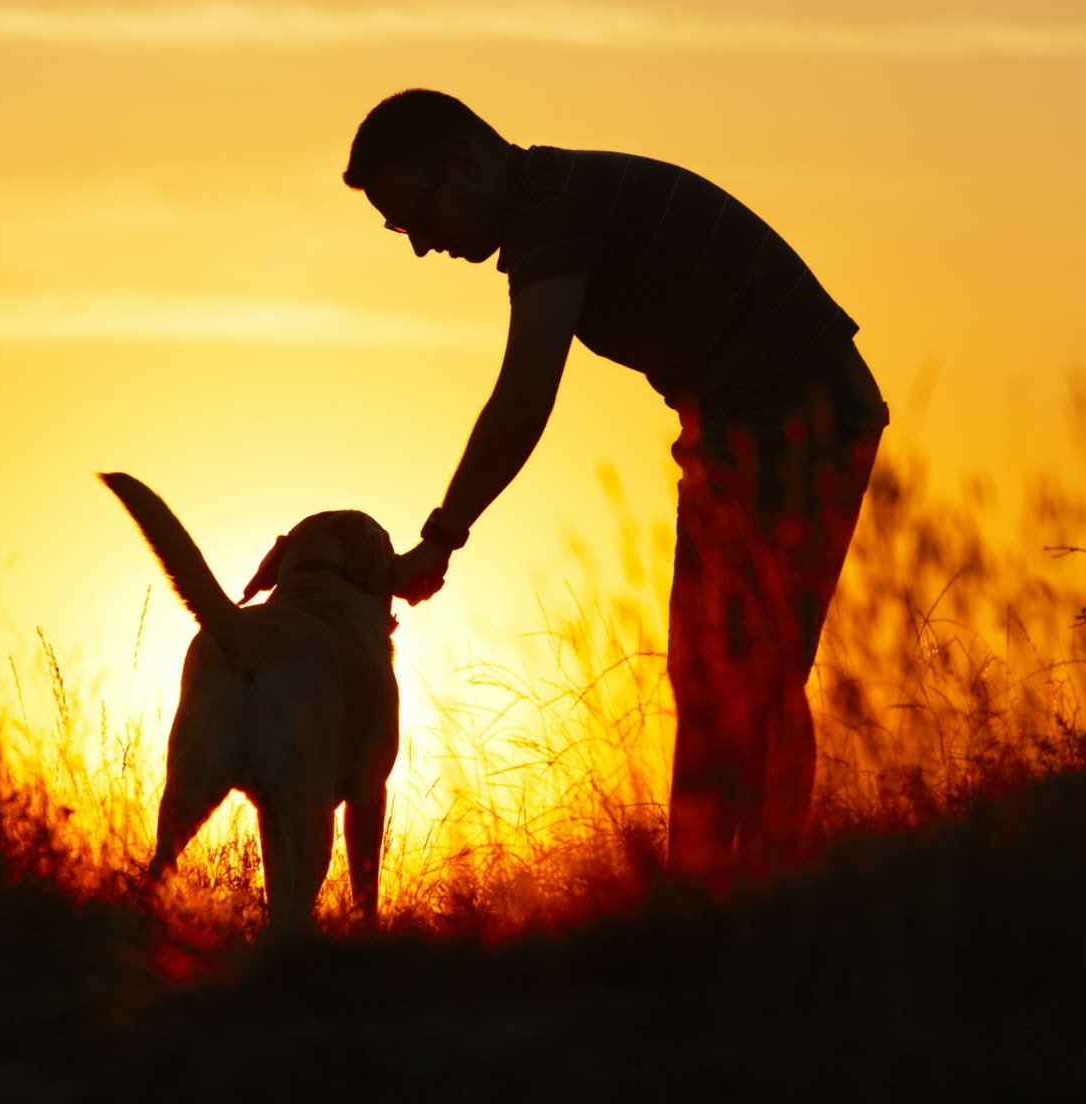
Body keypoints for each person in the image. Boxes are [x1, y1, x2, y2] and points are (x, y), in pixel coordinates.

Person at [345, 89, 889, 884]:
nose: (422, 245)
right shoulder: (556, 201)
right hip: (747, 424)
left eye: (415, 217)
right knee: (712, 676)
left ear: (464, 162)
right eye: (401, 230)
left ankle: (751, 896)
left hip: (796, 414)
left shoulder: (554, 212)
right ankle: (709, 897)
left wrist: (443, 533)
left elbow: (526, 392)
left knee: (753, 676)